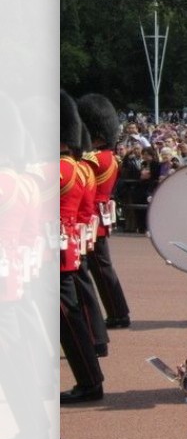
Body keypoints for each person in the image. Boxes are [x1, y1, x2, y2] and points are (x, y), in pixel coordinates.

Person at [59, 92, 105, 405]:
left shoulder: (60, 169)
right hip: (66, 244)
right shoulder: (80, 168)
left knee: (69, 320)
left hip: (52, 251)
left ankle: (89, 382)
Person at [76, 94, 131, 330]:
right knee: (101, 268)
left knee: (95, 269)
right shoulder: (110, 157)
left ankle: (114, 315)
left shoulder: (93, 159)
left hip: (89, 220)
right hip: (98, 217)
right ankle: (118, 312)